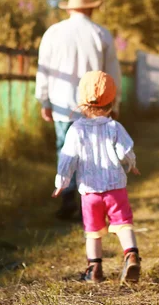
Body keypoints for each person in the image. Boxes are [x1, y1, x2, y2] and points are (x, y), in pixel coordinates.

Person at [35, 0, 122, 220]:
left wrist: (44, 99)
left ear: (70, 8)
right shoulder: (101, 34)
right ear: (91, 8)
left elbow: (44, 68)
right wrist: (115, 101)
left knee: (66, 150)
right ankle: (91, 202)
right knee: (93, 153)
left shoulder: (53, 33)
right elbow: (113, 71)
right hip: (95, 104)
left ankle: (67, 198)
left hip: (62, 102)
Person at [51, 71, 141, 284]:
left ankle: (94, 270)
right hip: (115, 188)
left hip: (90, 192)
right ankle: (131, 255)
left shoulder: (76, 129)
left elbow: (67, 159)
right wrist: (132, 164)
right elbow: (124, 151)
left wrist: (61, 183)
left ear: (81, 101)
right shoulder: (114, 127)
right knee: (123, 224)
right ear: (111, 102)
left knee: (93, 232)